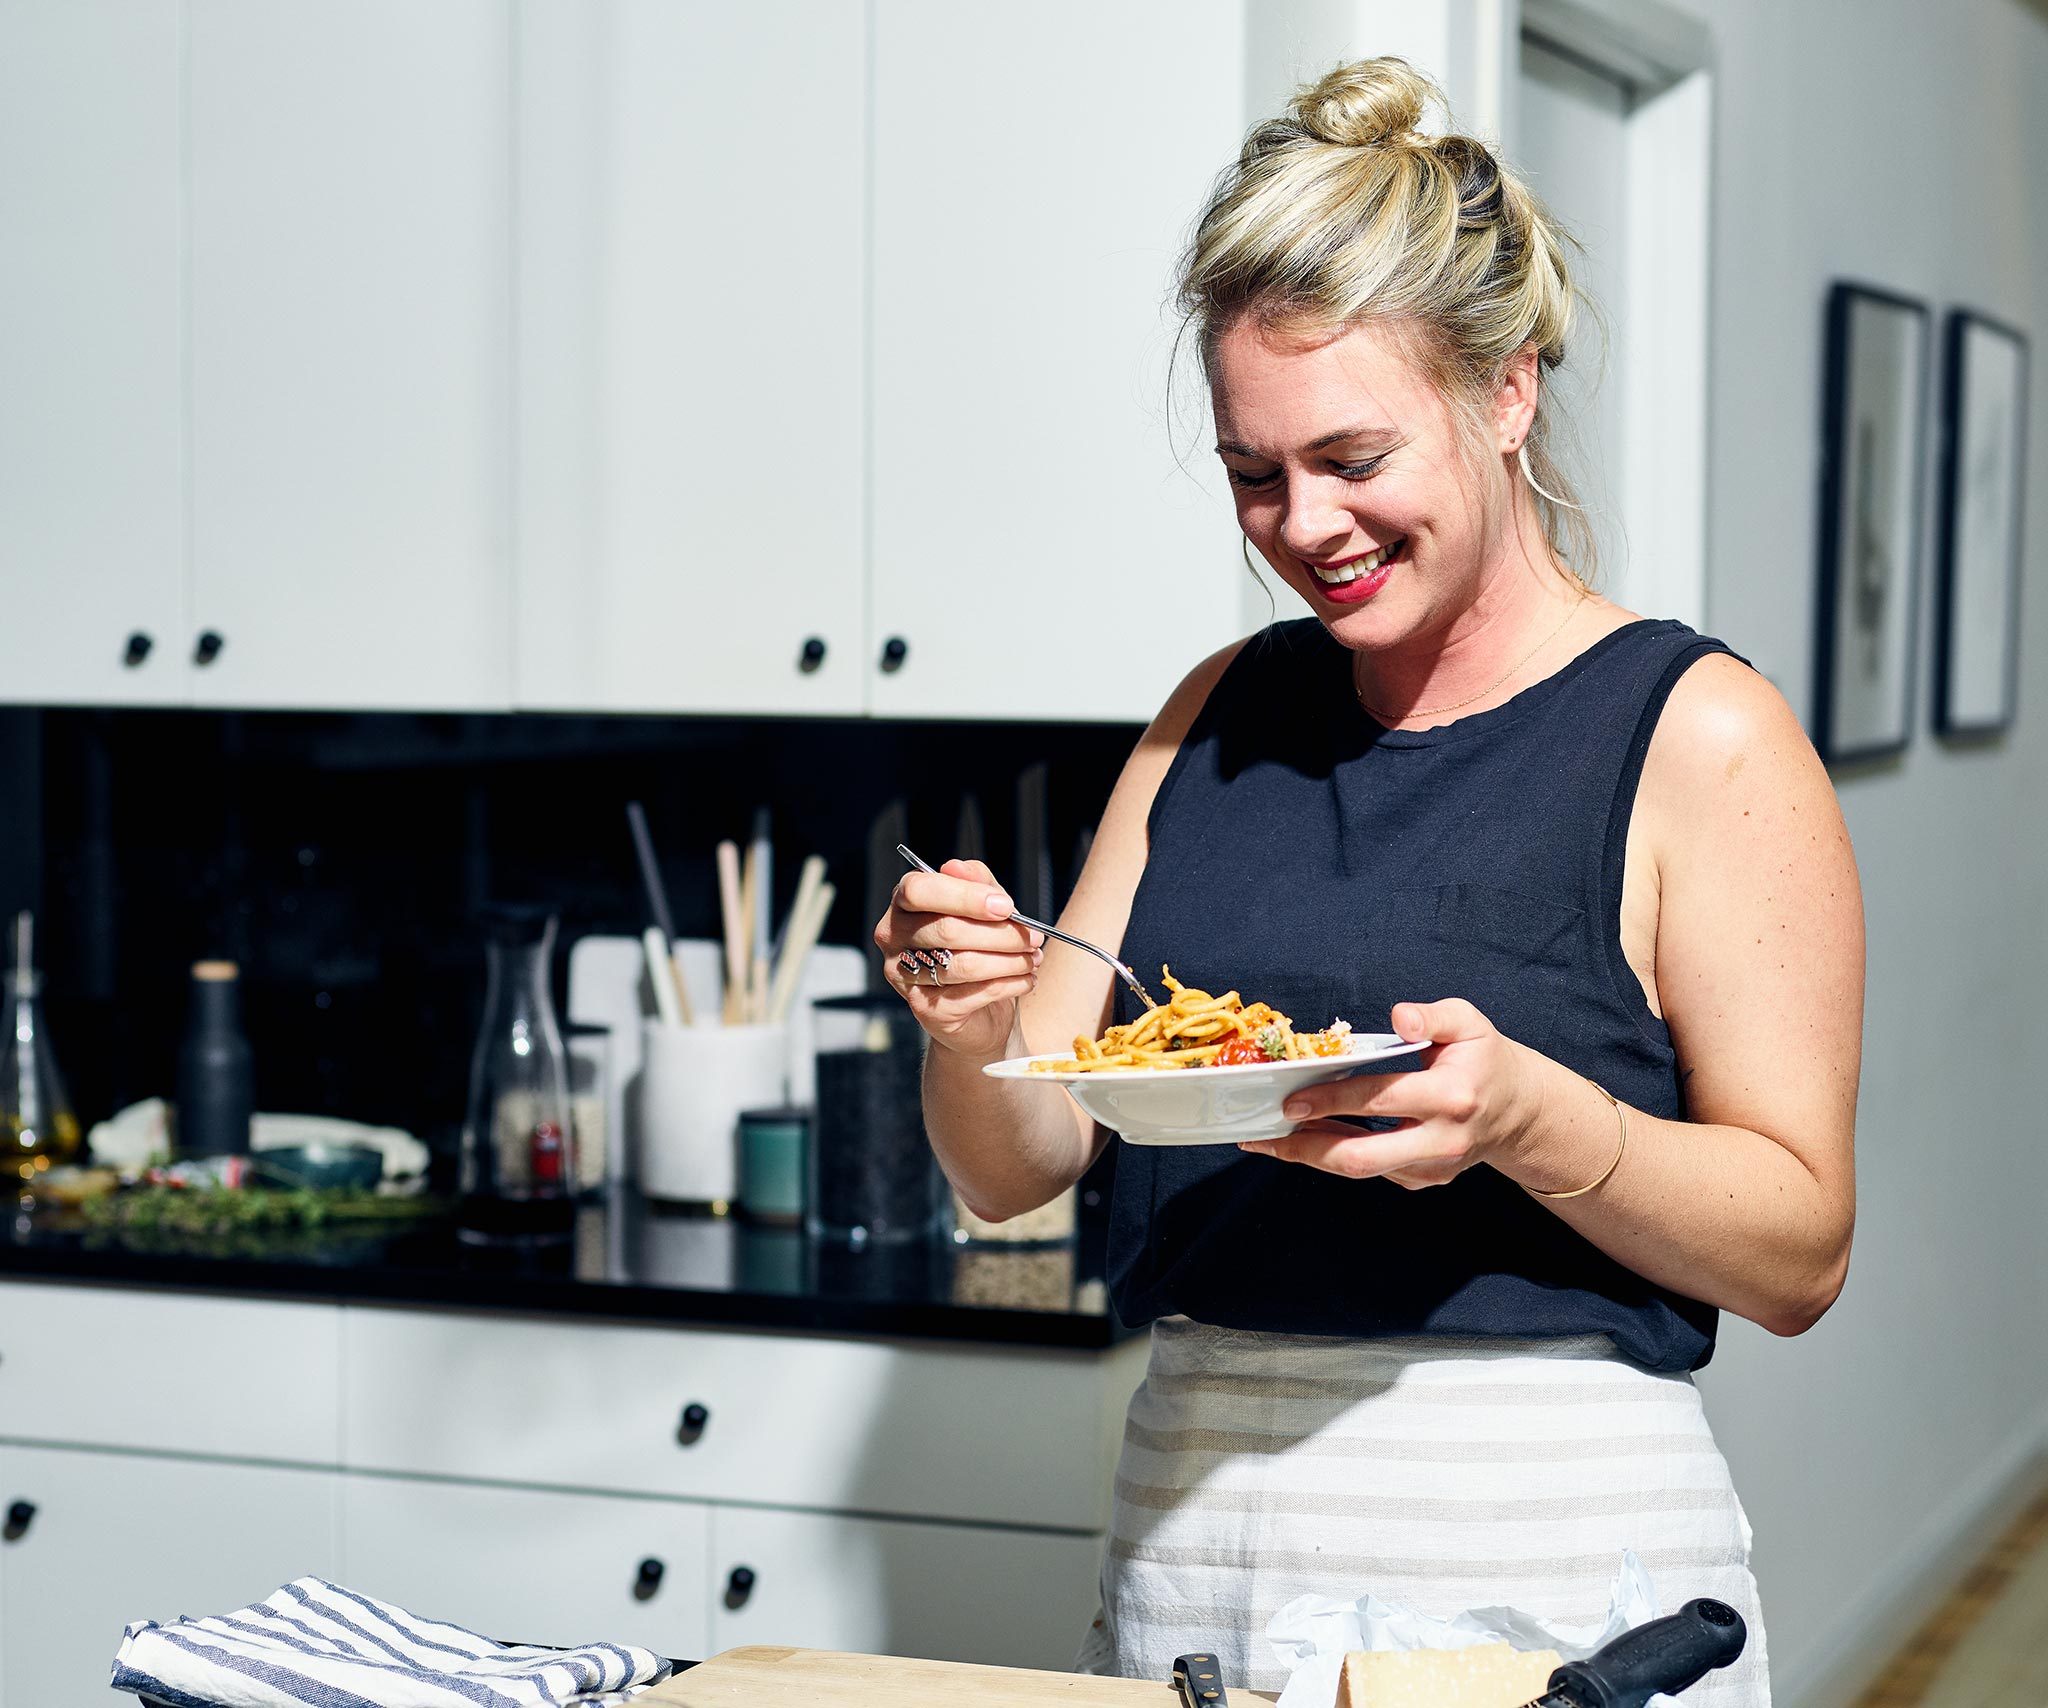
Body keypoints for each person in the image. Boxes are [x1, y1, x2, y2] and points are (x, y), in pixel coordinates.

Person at [873, 57, 1859, 1706]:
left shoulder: (1700, 736)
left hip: (1555, 1580)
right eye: (1254, 473)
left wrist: (1533, 1118)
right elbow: (1017, 1167)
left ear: (1507, 392)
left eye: (1352, 456)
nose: (1304, 525)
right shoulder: (1212, 715)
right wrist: (971, 1027)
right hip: (1200, 1552)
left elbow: (1801, 1254)